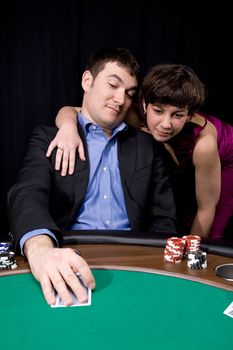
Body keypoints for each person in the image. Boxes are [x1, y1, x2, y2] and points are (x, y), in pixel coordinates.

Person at [8, 49, 177, 306]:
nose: (120, 99)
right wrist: (41, 249)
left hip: (136, 260)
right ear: (88, 81)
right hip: (69, 254)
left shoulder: (147, 146)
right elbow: (27, 193)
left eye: (129, 93)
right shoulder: (49, 137)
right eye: (113, 85)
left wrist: (163, 271)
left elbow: (163, 217)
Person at [49, 63, 233, 240]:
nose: (166, 124)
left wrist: (189, 257)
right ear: (145, 105)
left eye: (177, 115)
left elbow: (206, 209)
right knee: (179, 215)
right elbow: (71, 110)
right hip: (182, 161)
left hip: (225, 160)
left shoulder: (204, 144)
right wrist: (68, 127)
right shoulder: (132, 114)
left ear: (190, 114)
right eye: (158, 111)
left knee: (209, 230)